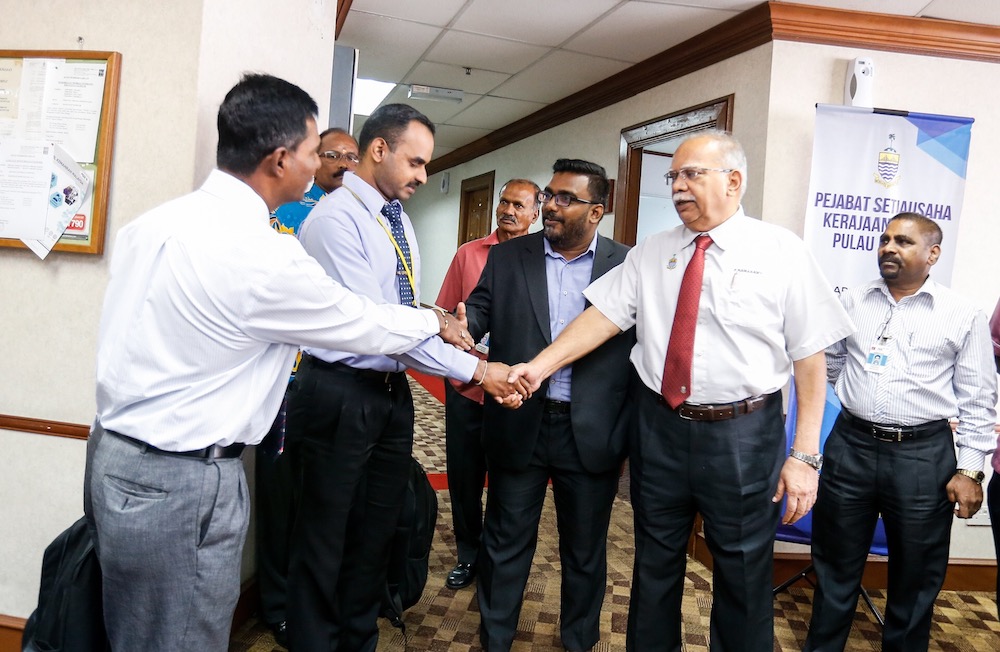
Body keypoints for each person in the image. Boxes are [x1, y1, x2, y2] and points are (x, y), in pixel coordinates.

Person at [83, 73, 471, 652]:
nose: (326, 167)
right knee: (179, 637)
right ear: (281, 159)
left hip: (116, 455)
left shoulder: (155, 224)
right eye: (317, 153)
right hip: (180, 480)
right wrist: (442, 328)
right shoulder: (261, 254)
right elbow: (360, 321)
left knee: (137, 629)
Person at [507, 131, 854, 651]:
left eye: (693, 174)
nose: (678, 186)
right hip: (660, 429)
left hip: (743, 434)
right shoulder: (654, 250)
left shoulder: (781, 251)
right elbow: (601, 317)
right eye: (674, 176)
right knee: (654, 562)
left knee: (740, 571)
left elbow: (810, 358)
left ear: (733, 181)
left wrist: (805, 454)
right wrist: (537, 368)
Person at [284, 103, 519, 652]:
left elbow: (403, 308)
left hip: (390, 395)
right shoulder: (335, 220)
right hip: (339, 394)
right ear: (379, 150)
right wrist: (478, 370)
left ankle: (357, 639)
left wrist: (446, 330)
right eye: (415, 162)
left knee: (375, 531)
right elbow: (377, 327)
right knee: (324, 538)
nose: (422, 176)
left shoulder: (397, 220)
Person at [805, 213, 998, 652]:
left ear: (932, 254)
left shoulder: (962, 314)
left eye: (904, 242)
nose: (889, 247)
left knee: (916, 574)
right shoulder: (851, 302)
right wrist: (866, 401)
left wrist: (970, 470)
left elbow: (977, 399)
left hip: (922, 457)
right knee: (834, 565)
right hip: (851, 446)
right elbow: (829, 366)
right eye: (886, 239)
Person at [463, 159, 634, 652]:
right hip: (519, 420)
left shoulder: (625, 265)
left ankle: (578, 640)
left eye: (564, 199)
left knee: (584, 550)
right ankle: (495, 638)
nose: (549, 207)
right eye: (549, 196)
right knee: (506, 540)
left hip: (592, 432)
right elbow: (479, 312)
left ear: (596, 211)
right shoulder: (508, 257)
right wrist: (462, 325)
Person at [256, 127, 361, 647]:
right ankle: (276, 603)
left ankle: (318, 600)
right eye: (332, 155)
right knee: (281, 499)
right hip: (287, 380)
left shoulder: (368, 217)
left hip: (340, 385)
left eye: (351, 156)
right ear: (312, 159)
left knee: (325, 503)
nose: (343, 163)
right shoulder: (293, 212)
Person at [435, 177, 540, 590]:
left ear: (535, 213)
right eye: (504, 203)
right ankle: (467, 552)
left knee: (508, 480)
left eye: (519, 205)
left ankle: (497, 556)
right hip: (466, 386)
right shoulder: (468, 254)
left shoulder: (538, 259)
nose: (508, 211)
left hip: (514, 393)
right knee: (463, 477)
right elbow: (446, 313)